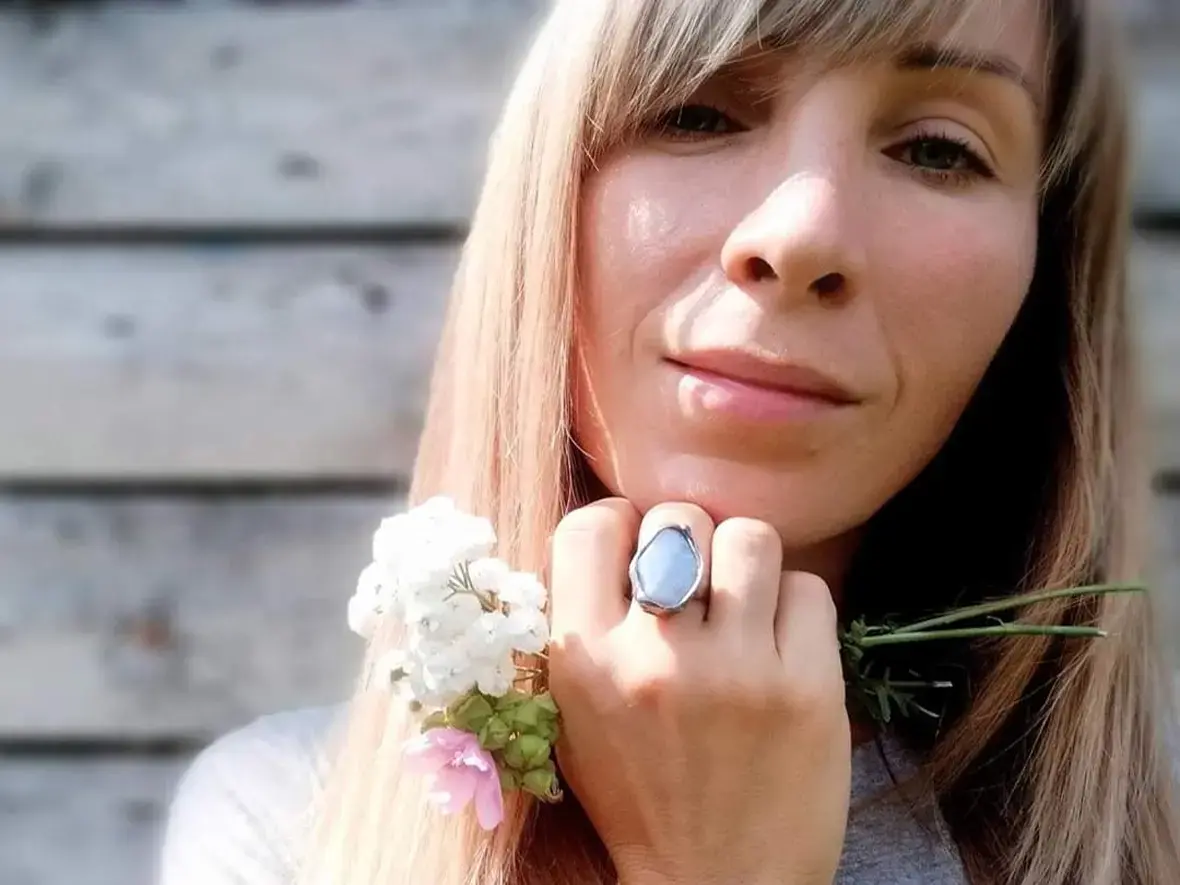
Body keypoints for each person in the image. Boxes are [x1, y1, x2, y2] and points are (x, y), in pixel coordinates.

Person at [157, 0, 1180, 883]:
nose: (800, 232)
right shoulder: (291, 827)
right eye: (695, 110)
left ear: (1044, 277)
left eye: (937, 149)